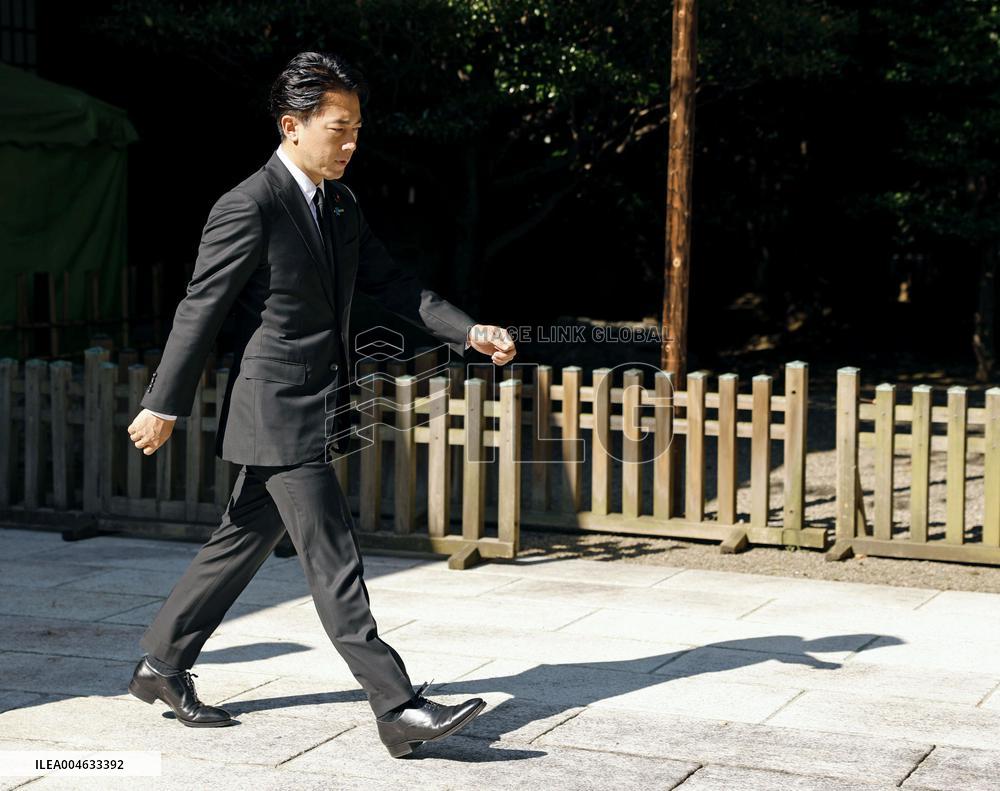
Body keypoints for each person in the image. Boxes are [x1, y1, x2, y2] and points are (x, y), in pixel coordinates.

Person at [124, 51, 516, 758]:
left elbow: (395, 286)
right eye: (339, 128)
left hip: (316, 401)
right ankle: (396, 705)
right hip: (276, 409)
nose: (351, 143)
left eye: (358, 129)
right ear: (292, 126)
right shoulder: (249, 204)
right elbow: (200, 308)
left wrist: (468, 331)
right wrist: (164, 404)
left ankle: (161, 663)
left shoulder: (340, 204)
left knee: (240, 542)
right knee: (335, 557)